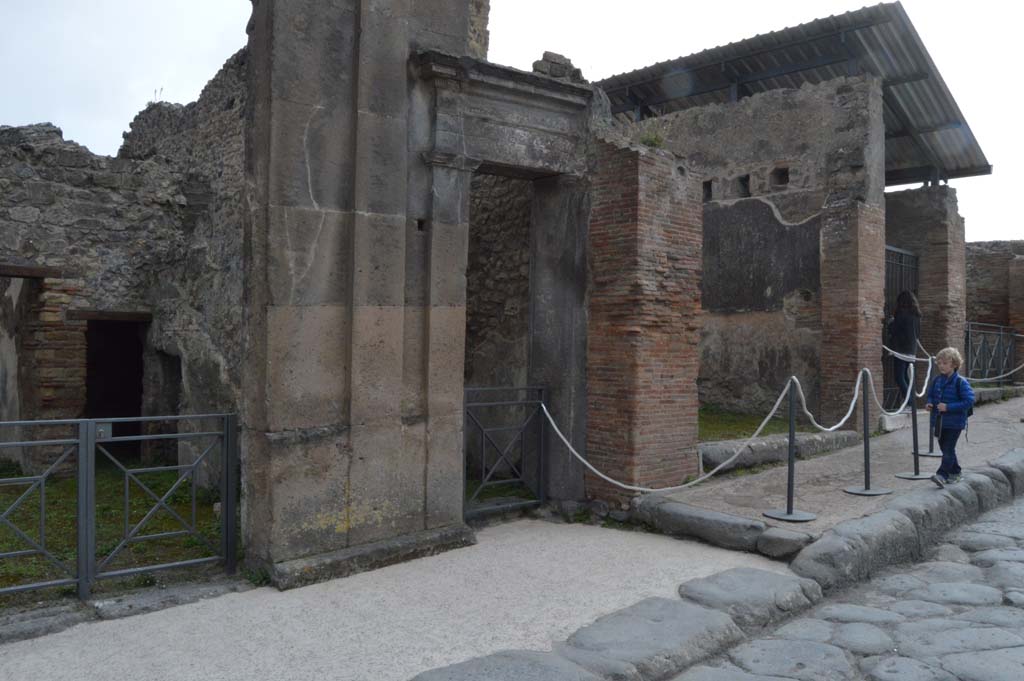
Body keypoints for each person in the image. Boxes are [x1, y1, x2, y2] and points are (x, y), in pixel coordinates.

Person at [925, 347, 975, 487]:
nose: (941, 366)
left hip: (955, 423)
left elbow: (969, 400)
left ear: (954, 364)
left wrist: (948, 407)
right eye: (939, 363)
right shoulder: (936, 380)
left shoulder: (960, 382)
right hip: (939, 421)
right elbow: (930, 395)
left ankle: (941, 475)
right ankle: (956, 472)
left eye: (945, 363)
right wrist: (929, 403)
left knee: (948, 449)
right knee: (945, 448)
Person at [887, 290, 921, 405]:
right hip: (912, 349)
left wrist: (891, 322)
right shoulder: (917, 315)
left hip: (901, 349)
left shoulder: (902, 313)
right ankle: (910, 401)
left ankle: (910, 402)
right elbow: (918, 333)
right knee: (906, 377)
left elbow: (894, 330)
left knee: (899, 377)